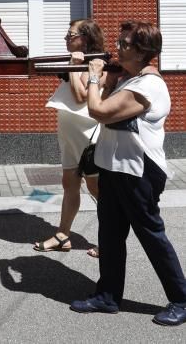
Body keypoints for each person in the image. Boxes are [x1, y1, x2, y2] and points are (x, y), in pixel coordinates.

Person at [71, 21, 186, 326]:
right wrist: (108, 81)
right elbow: (104, 103)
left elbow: (99, 111)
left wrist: (94, 77)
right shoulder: (128, 79)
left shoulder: (147, 86)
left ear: (143, 51)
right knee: (109, 235)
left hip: (138, 172)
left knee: (151, 235)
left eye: (124, 44)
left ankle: (182, 298)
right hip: (114, 168)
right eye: (120, 43)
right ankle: (108, 296)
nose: (117, 48)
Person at [34, 19, 106, 257]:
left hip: (89, 138)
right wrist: (73, 64)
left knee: (97, 190)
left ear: (85, 38)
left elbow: (80, 97)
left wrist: (75, 68)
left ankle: (109, 241)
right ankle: (62, 235)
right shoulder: (75, 61)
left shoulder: (99, 64)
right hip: (70, 136)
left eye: (71, 34)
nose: (66, 38)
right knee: (69, 186)